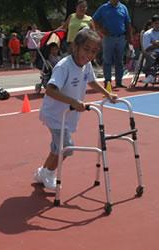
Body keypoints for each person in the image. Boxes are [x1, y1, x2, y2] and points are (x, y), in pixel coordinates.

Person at [34, 29, 117, 190]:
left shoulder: (86, 65)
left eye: (93, 51)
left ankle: (42, 172)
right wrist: (74, 101)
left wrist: (107, 93)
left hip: (68, 114)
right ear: (75, 47)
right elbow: (50, 90)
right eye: (86, 49)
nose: (89, 55)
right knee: (67, 148)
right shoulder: (64, 66)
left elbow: (91, 81)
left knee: (57, 148)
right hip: (55, 115)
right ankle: (49, 174)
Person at [93, 0, 133, 88]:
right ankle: (107, 81)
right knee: (107, 60)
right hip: (108, 38)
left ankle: (119, 82)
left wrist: (130, 37)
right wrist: (101, 30)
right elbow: (94, 20)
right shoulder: (103, 8)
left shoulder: (123, 7)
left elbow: (128, 23)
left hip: (121, 37)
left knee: (120, 61)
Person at [141, 15, 159, 84]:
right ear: (152, 24)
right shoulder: (147, 34)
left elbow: (151, 45)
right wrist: (157, 44)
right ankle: (151, 75)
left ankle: (151, 75)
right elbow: (147, 48)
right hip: (152, 53)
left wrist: (154, 43)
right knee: (151, 55)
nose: (158, 25)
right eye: (156, 23)